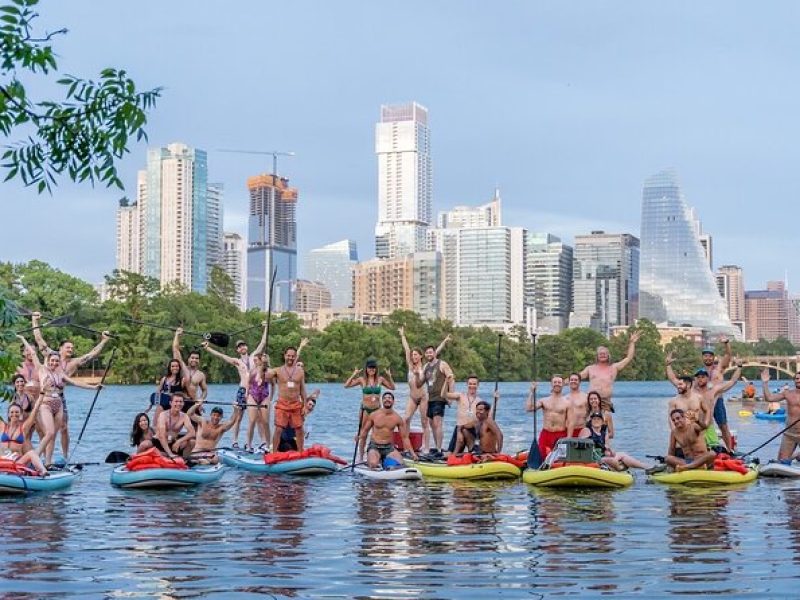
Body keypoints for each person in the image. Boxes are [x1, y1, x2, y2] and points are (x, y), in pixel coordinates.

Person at [31, 311, 111, 458]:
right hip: (46, 397)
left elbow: (92, 354)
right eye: (68, 347)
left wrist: (104, 341)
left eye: (72, 348)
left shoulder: (73, 363)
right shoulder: (50, 356)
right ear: (60, 348)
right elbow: (39, 339)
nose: (71, 350)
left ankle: (65, 457)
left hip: (61, 399)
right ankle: (43, 458)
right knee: (47, 431)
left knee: (64, 428)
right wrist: (35, 321)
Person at [18, 335, 101, 466]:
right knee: (49, 432)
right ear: (48, 360)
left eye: (57, 361)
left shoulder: (60, 373)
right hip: (46, 404)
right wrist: (23, 339)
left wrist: (94, 387)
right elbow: (33, 353)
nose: (54, 363)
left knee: (53, 435)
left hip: (59, 406)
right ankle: (35, 457)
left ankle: (48, 462)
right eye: (52, 361)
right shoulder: (42, 370)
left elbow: (75, 383)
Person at [666, 354, 741, 453]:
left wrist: (739, 367)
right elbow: (673, 380)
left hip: (708, 427)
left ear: (707, 378)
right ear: (695, 379)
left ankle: (729, 451)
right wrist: (668, 365)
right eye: (698, 377)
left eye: (703, 377)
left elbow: (732, 381)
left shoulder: (714, 391)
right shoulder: (690, 390)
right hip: (692, 428)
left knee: (715, 451)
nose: (700, 379)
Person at [399, 327, 450, 454]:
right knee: (405, 419)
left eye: (416, 355)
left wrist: (444, 341)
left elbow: (435, 352)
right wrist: (402, 335)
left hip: (423, 397)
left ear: (421, 356)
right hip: (412, 397)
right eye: (412, 355)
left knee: (424, 422)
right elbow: (406, 349)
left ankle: (426, 447)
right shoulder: (410, 366)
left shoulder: (426, 366)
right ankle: (407, 446)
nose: (413, 356)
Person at [201, 340, 252, 448]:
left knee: (254, 419)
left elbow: (262, 344)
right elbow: (221, 356)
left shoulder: (254, 359)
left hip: (254, 391)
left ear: (247, 347)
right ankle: (234, 441)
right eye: (239, 346)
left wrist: (265, 327)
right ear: (237, 350)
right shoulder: (237, 361)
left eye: (243, 345)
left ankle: (249, 443)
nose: (242, 347)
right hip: (242, 390)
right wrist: (207, 348)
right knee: (238, 417)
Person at [345, 358, 395, 460]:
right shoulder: (362, 380)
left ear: (376, 369)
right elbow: (346, 385)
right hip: (365, 410)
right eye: (369, 368)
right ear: (366, 369)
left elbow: (393, 387)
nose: (371, 370)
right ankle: (361, 457)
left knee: (376, 433)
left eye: (373, 368)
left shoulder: (380, 379)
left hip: (377, 410)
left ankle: (375, 455)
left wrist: (389, 376)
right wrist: (354, 374)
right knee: (363, 434)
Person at [579, 331, 640, 412]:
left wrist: (632, 342)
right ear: (597, 356)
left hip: (606, 402)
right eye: (600, 354)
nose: (602, 355)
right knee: (590, 422)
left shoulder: (614, 367)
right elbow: (576, 378)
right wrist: (561, 382)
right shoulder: (590, 368)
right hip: (591, 401)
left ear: (608, 356)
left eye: (605, 353)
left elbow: (628, 358)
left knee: (606, 422)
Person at [358, 392, 418, 469]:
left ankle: (384, 461)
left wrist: (413, 454)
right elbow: (365, 432)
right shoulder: (374, 415)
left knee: (400, 464)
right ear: (382, 401)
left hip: (389, 447)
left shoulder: (397, 418)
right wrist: (359, 437)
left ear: (393, 401)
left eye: (389, 398)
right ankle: (376, 460)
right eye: (385, 398)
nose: (387, 400)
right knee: (373, 464)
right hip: (374, 446)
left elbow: (405, 438)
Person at [416, 345, 454, 458]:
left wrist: (450, 396)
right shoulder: (426, 366)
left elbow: (451, 378)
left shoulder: (442, 364)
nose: (429, 354)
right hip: (430, 399)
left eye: (431, 352)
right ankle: (437, 447)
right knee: (432, 424)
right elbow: (419, 384)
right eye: (427, 353)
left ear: (435, 353)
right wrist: (417, 374)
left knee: (438, 423)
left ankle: (439, 449)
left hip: (440, 398)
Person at [268, 346, 308, 453]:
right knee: (279, 429)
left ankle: (300, 452)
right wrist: (264, 365)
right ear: (284, 356)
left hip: (296, 404)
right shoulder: (278, 370)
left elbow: (303, 389)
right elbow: (267, 376)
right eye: (288, 356)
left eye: (293, 356)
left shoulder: (300, 371)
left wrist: (304, 405)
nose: (290, 358)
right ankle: (274, 452)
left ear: (296, 357)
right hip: (282, 403)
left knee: (299, 429)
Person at [579, 411, 648, 470]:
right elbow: (580, 443)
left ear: (602, 422)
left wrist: (609, 449)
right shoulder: (587, 430)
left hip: (603, 456)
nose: (596, 420)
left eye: (598, 419)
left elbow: (608, 452)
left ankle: (646, 467)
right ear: (591, 421)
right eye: (594, 419)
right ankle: (621, 468)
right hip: (594, 459)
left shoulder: (604, 434)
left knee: (622, 454)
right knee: (613, 461)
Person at [698, 339, 734, 451]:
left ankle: (730, 450)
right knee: (703, 425)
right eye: (705, 356)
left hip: (717, 401)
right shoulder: (699, 372)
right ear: (702, 358)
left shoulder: (719, 368)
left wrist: (726, 343)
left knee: (723, 426)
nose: (707, 358)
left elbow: (728, 355)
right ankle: (704, 448)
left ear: (713, 358)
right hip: (704, 402)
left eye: (710, 356)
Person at [525, 376, 570, 461]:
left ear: (563, 384)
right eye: (555, 382)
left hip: (560, 434)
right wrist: (531, 392)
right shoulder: (544, 401)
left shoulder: (567, 402)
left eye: (559, 382)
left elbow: (571, 422)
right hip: (546, 434)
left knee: (559, 459)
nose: (557, 384)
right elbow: (528, 408)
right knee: (542, 457)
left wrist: (569, 437)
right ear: (551, 384)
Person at [1, 396, 48, 475]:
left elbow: (35, 411)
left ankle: (43, 472)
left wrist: (41, 395)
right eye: (12, 412)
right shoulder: (3, 426)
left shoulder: (23, 428)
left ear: (21, 414)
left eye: (17, 412)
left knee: (32, 453)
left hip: (17, 462)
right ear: (8, 414)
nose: (14, 414)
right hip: (3, 461)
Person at [761, 369, 800, 462]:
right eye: (797, 378)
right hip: (789, 433)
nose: (798, 380)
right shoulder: (787, 393)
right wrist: (765, 383)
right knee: (780, 462)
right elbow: (769, 398)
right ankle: (795, 456)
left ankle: (797, 456)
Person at [660, 408, 716, 472]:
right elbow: (671, 450)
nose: (676, 421)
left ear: (684, 417)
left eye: (678, 418)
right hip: (687, 461)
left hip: (702, 460)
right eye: (673, 420)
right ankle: (696, 467)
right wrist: (670, 465)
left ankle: (688, 467)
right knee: (667, 458)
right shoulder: (674, 433)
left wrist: (697, 420)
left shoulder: (693, 426)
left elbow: (704, 427)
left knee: (712, 454)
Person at [443, 374, 486, 453]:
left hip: (471, 431)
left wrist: (495, 400)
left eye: (474, 384)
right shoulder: (460, 396)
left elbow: (487, 417)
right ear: (467, 384)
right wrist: (446, 382)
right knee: (448, 455)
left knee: (472, 450)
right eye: (470, 384)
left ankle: (472, 451)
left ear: (478, 385)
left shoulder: (479, 401)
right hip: (459, 429)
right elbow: (443, 395)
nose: (472, 386)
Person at [172, 327, 209, 407]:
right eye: (192, 358)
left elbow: (205, 390)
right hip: (180, 402)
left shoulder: (201, 375)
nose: (194, 360)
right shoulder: (182, 367)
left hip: (193, 402)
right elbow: (175, 349)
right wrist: (177, 335)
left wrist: (201, 399)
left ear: (199, 360)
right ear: (188, 359)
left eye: (196, 358)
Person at [244, 353, 274, 452]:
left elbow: (273, 385)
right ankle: (248, 445)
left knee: (265, 422)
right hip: (253, 396)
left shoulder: (268, 372)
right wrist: (246, 394)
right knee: (252, 421)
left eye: (256, 360)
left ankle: (268, 445)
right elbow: (248, 383)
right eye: (254, 360)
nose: (254, 361)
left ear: (262, 360)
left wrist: (271, 398)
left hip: (264, 397)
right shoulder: (252, 371)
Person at [155, 392, 196, 459]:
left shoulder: (184, 416)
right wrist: (170, 454)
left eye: (181, 402)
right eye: (176, 401)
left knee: (192, 442)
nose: (178, 404)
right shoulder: (163, 415)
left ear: (183, 403)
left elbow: (192, 433)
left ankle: (185, 460)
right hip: (159, 443)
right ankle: (168, 455)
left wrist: (179, 441)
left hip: (173, 442)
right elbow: (161, 436)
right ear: (170, 403)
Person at [150, 359, 187, 425]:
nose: (175, 368)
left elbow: (186, 393)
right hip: (165, 402)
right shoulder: (164, 379)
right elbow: (158, 392)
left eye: (176, 366)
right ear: (169, 368)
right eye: (172, 366)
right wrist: (151, 404)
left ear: (179, 368)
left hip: (176, 403)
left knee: (166, 407)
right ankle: (155, 428)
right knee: (159, 407)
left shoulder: (183, 380)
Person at [564, 372, 588, 438]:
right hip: (566, 430)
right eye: (571, 380)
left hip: (581, 430)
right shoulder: (564, 398)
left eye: (576, 380)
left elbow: (592, 413)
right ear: (568, 382)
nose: (573, 381)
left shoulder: (585, 397)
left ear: (580, 382)